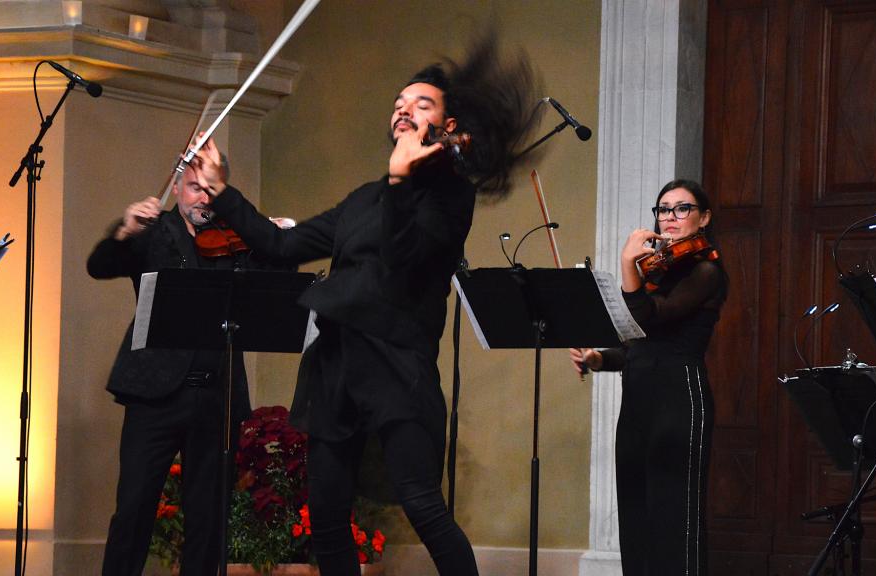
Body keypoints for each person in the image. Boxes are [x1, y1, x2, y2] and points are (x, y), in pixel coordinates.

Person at [183, 33, 540, 576]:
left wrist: (400, 180)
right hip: (337, 365)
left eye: (421, 103)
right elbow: (282, 245)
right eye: (399, 102)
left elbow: (401, 259)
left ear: (448, 126)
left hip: (397, 365)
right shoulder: (363, 199)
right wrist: (222, 190)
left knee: (424, 507)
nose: (403, 109)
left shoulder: (450, 196)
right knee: (326, 515)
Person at [87, 163, 284, 576]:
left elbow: (280, 273)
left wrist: (277, 237)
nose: (202, 199)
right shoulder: (153, 231)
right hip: (153, 394)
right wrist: (124, 230)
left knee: (208, 518)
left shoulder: (238, 237)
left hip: (217, 396)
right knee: (134, 509)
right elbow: (101, 264)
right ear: (176, 188)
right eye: (194, 188)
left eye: (211, 190)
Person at [570, 179, 727, 576]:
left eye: (681, 208)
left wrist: (627, 267)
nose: (669, 217)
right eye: (662, 209)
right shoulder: (659, 270)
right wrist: (596, 358)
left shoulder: (706, 271)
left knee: (675, 522)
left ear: (703, 217)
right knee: (636, 518)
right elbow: (638, 344)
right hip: (638, 403)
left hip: (680, 401)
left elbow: (650, 317)